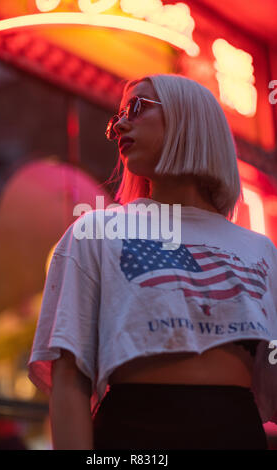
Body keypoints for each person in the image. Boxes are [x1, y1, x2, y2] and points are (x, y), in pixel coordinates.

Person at [28, 73, 277, 450]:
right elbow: (69, 380)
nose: (119, 126)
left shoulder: (259, 248)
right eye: (118, 118)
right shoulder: (98, 231)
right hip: (134, 435)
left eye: (137, 108)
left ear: (190, 117)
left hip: (238, 432)